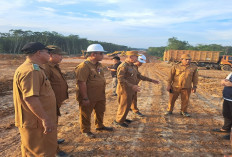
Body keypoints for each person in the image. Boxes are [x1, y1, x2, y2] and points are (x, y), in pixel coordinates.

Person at [13, 42, 57, 156]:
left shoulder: (33, 69)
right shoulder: (32, 71)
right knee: (42, 152)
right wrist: (45, 119)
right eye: (48, 52)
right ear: (39, 53)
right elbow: (30, 98)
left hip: (36, 121)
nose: (49, 55)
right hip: (37, 123)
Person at [75, 44, 113, 138]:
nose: (103, 56)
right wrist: (85, 98)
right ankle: (86, 130)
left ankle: (99, 126)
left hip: (99, 94)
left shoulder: (99, 65)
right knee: (86, 114)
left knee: (100, 111)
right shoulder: (84, 66)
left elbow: (100, 77)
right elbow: (81, 83)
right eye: (101, 53)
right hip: (88, 96)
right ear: (93, 54)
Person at [114, 51, 159, 127]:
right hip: (124, 90)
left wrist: (151, 80)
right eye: (136, 56)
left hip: (130, 89)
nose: (137, 58)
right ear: (131, 57)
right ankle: (119, 121)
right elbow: (121, 79)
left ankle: (123, 118)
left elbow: (139, 76)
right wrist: (132, 86)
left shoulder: (133, 66)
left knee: (127, 106)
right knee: (124, 105)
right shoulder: (123, 66)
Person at [44, 45, 70, 157]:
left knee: (54, 124)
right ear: (51, 55)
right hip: (49, 103)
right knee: (50, 125)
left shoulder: (54, 66)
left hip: (55, 102)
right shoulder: (46, 68)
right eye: (60, 55)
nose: (61, 57)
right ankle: (55, 150)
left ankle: (53, 140)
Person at [212, 73, 232, 140]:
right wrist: (225, 82)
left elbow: (228, 83)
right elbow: (224, 81)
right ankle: (226, 128)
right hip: (227, 97)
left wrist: (227, 83)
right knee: (226, 114)